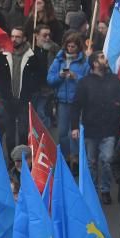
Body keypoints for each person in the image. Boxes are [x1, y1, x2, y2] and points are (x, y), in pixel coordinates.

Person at [70, 51, 120, 203]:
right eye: (101, 57)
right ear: (94, 63)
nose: (105, 59)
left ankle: (105, 189)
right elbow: (76, 106)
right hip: (91, 129)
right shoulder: (85, 83)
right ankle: (93, 190)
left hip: (109, 129)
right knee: (91, 162)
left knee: (107, 160)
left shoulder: (114, 80)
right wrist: (74, 127)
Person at [0, 26, 48, 150]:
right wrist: (6, 96)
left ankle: (23, 161)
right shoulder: (3, 56)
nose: (14, 39)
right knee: (10, 134)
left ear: (24, 38)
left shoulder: (33, 57)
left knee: (23, 132)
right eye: (12, 36)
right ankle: (12, 163)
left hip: (24, 101)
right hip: (8, 101)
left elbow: (38, 78)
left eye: (17, 37)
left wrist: (28, 93)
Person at [47, 31, 89, 162]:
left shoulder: (84, 62)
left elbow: (88, 82)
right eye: (68, 46)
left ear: (78, 47)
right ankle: (65, 156)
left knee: (75, 132)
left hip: (77, 102)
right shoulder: (58, 60)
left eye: (73, 47)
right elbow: (50, 79)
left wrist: (76, 77)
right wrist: (60, 76)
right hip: (62, 101)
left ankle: (76, 157)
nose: (70, 49)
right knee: (62, 132)